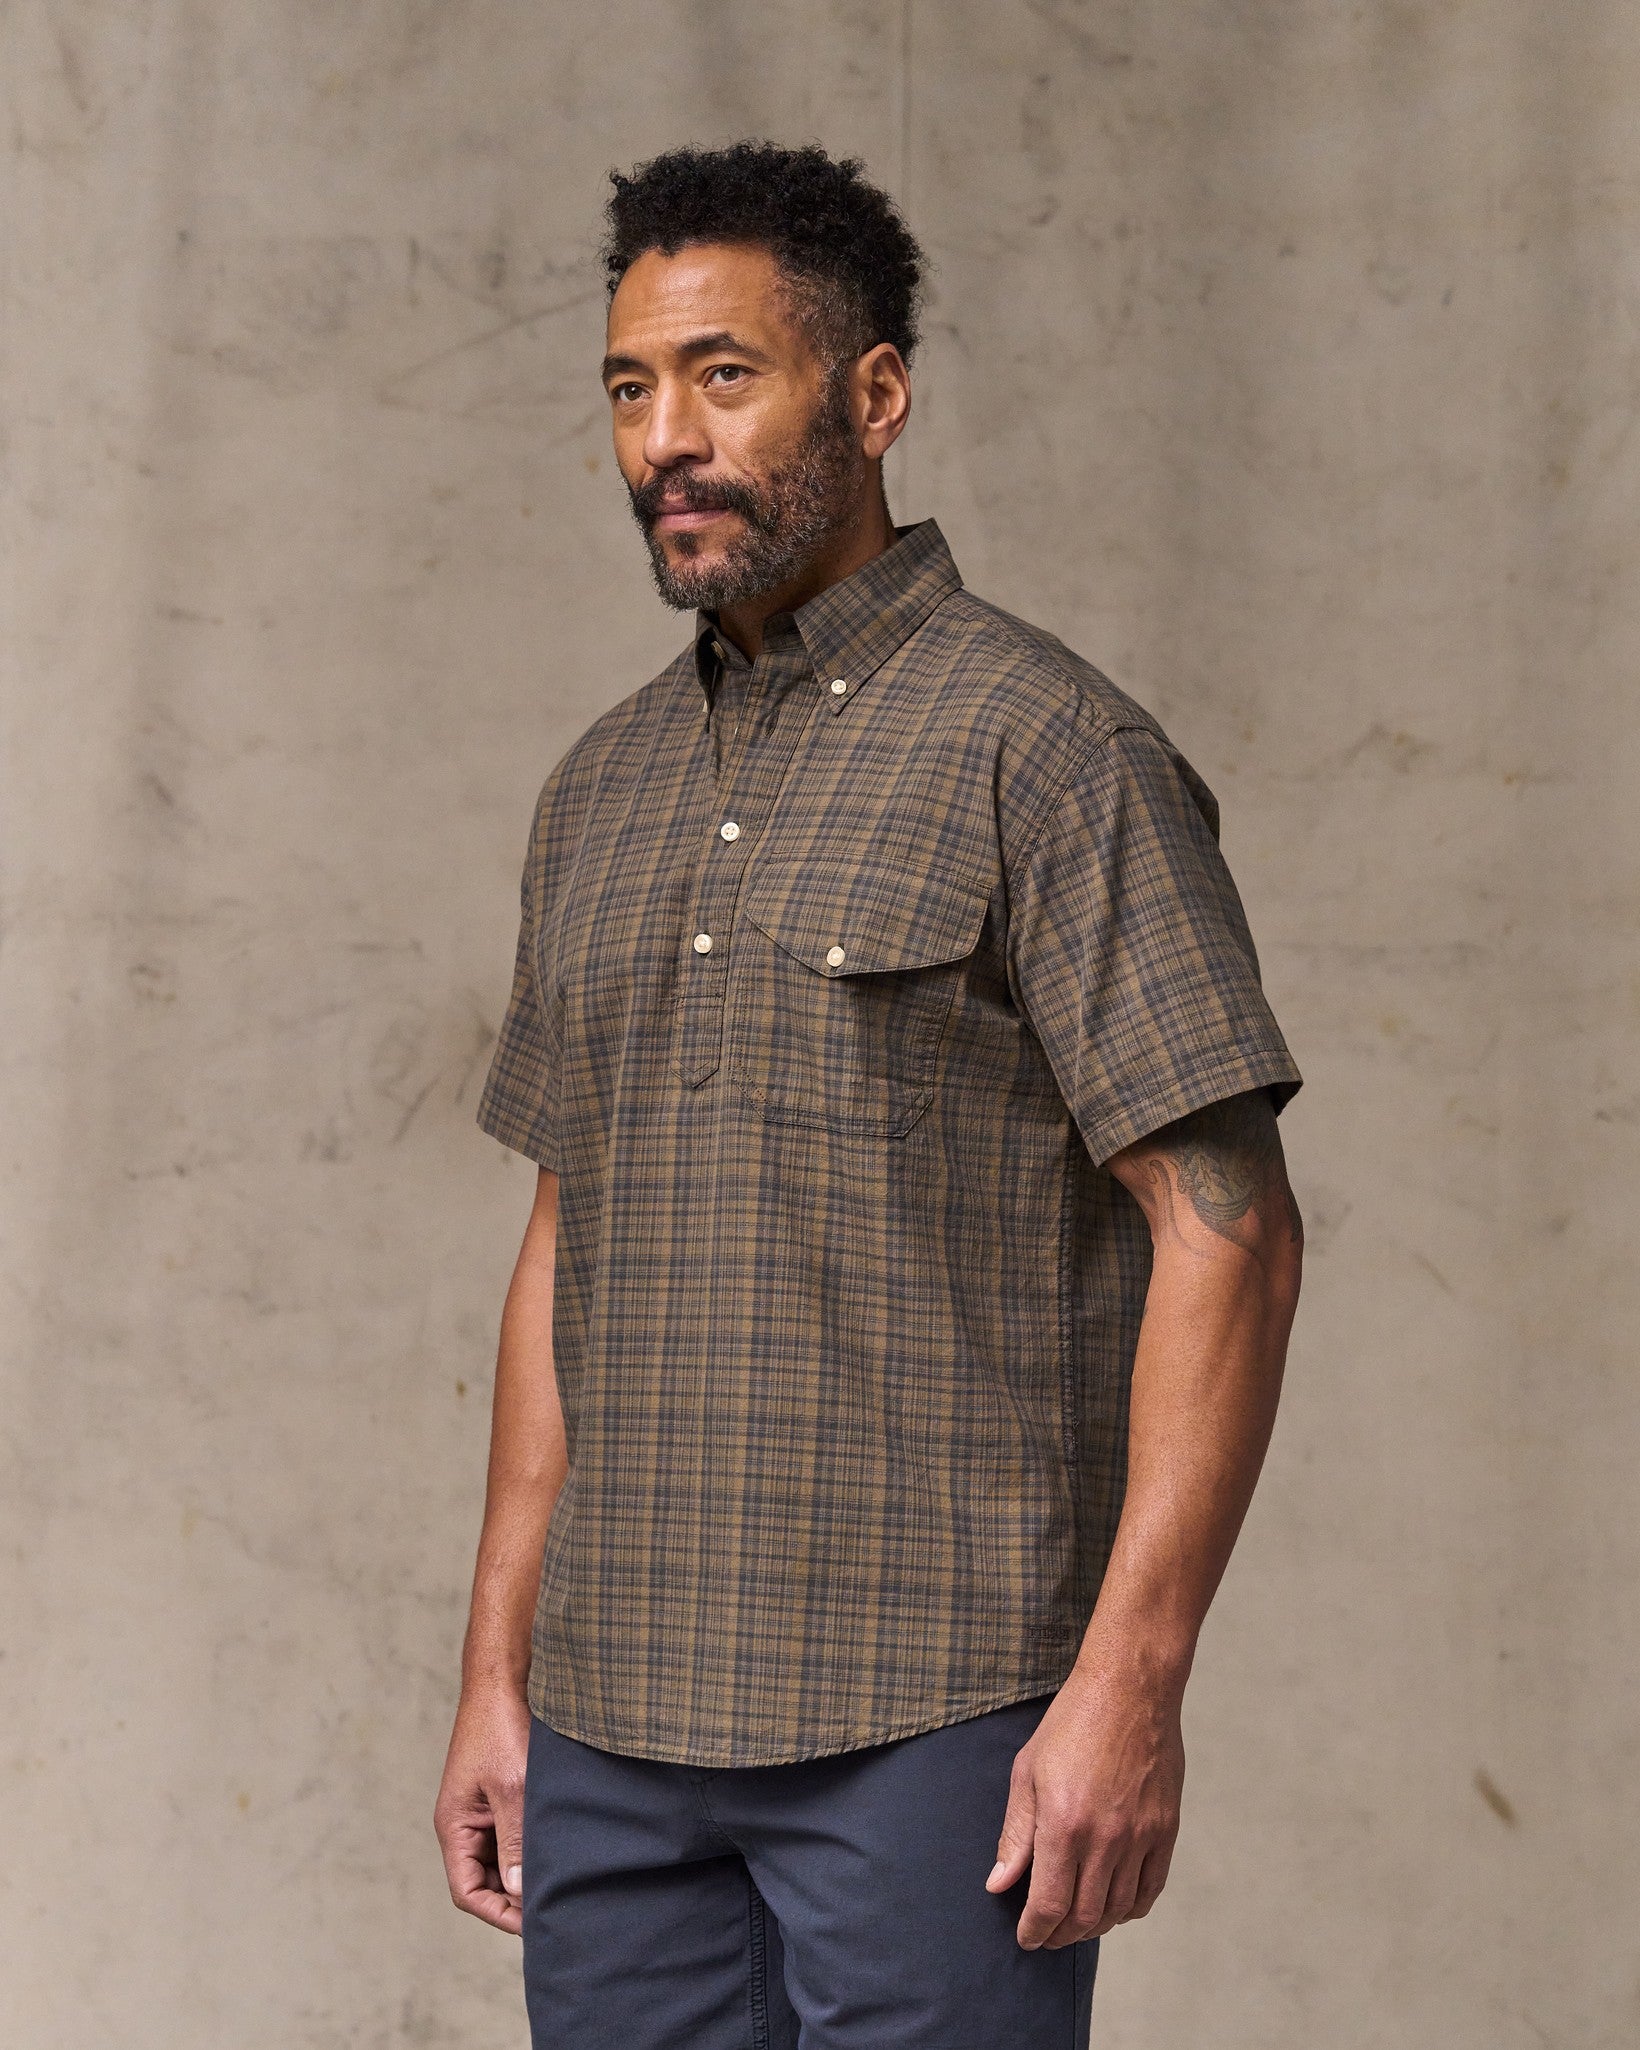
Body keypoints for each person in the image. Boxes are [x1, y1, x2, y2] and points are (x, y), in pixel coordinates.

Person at [434, 139, 1304, 2049]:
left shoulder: (1049, 750)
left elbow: (1229, 1234)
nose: (668, 437)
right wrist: (499, 1668)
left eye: (725, 375)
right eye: (630, 387)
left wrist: (1132, 1681)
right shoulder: (598, 789)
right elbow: (566, 1242)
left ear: (877, 395)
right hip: (613, 1732)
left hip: (933, 1723)